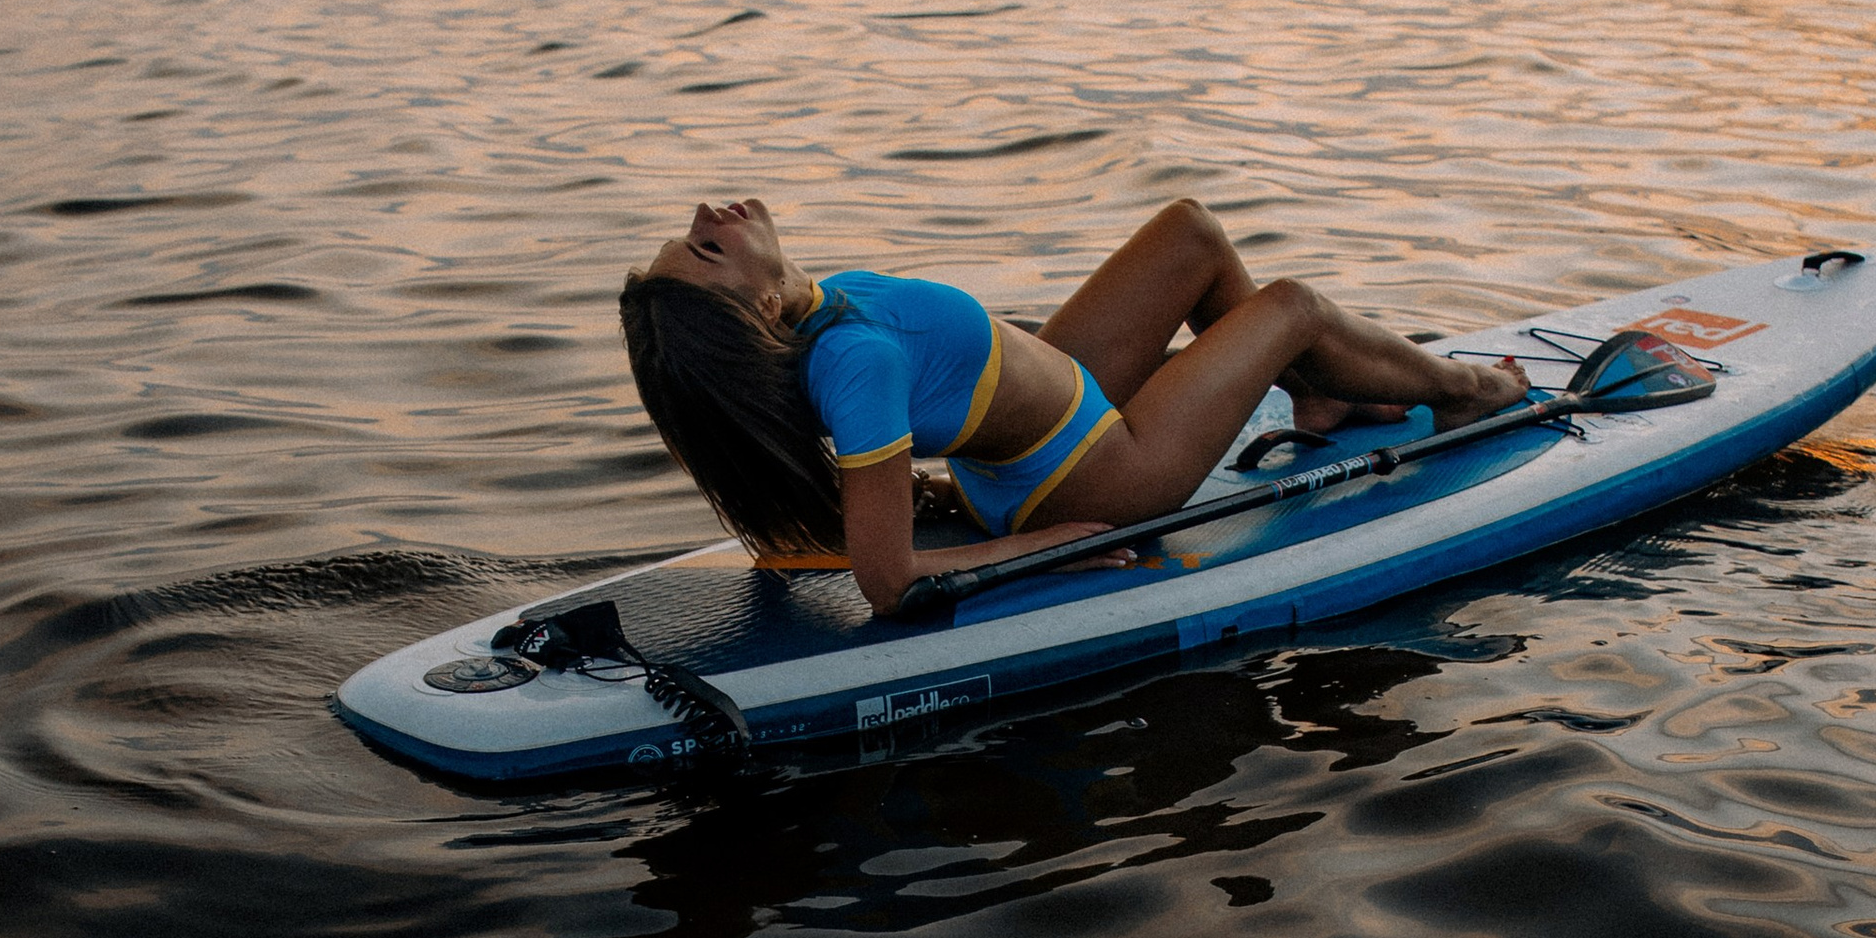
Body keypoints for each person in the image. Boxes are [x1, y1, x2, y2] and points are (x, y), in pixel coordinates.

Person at [620, 196, 1528, 616]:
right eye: (706, 247)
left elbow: (892, 444)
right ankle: (1469, 392)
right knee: (1288, 307)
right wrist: (1037, 552)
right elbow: (885, 580)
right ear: (763, 309)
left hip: (1054, 408)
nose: (709, 214)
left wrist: (926, 491)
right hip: (1101, 469)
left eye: (694, 234)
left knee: (1193, 235)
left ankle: (1321, 394)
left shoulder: (820, 314)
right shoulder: (851, 359)